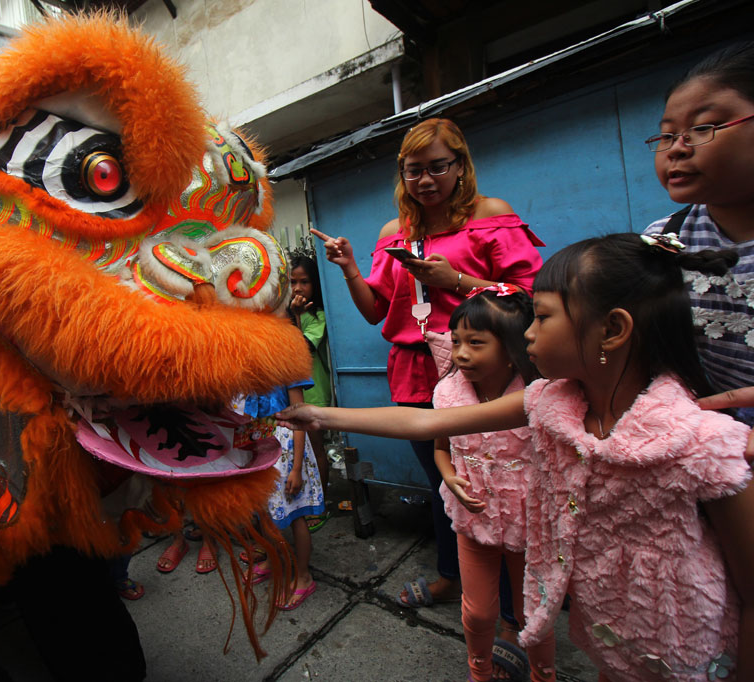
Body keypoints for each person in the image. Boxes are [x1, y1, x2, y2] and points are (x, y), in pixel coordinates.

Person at [278, 232, 754, 681]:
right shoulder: (551, 402)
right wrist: (321, 415)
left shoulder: (704, 446)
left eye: (542, 317)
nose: (527, 334)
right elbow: (426, 423)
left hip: (692, 655)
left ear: (611, 330)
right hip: (611, 643)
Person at [312, 117, 543, 611]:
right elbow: (377, 311)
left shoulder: (490, 215)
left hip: (485, 372)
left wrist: (455, 279)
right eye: (414, 170)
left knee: (494, 482)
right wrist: (351, 267)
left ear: (460, 165)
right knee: (444, 483)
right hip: (414, 371)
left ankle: (512, 599)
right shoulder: (395, 231)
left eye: (438, 167)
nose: (426, 180)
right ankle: (452, 576)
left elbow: (529, 297)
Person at [433, 286, 554, 681]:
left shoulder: (540, 396)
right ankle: (479, 671)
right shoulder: (447, 394)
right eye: (456, 342)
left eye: (476, 342)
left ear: (512, 347)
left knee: (531, 613)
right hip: (474, 522)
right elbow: (440, 449)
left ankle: (543, 674)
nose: (461, 353)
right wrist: (452, 480)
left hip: (532, 525)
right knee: (478, 610)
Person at [640, 42, 754, 441]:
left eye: (703, 127)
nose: (677, 148)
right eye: (666, 135)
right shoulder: (664, 240)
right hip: (718, 452)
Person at [237, 379, 324, 610]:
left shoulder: (289, 368)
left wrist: (296, 469)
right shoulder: (251, 367)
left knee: (296, 514)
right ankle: (270, 559)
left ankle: (304, 576)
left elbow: (300, 418)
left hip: (286, 448)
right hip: (259, 442)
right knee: (263, 509)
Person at [288, 254, 333, 532]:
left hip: (314, 390)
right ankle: (306, 500)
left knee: (316, 450)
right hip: (292, 391)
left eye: (304, 282)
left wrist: (296, 316)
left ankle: (323, 503)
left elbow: (298, 347)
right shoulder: (287, 312)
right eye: (293, 282)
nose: (298, 288)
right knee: (296, 452)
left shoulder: (317, 315)